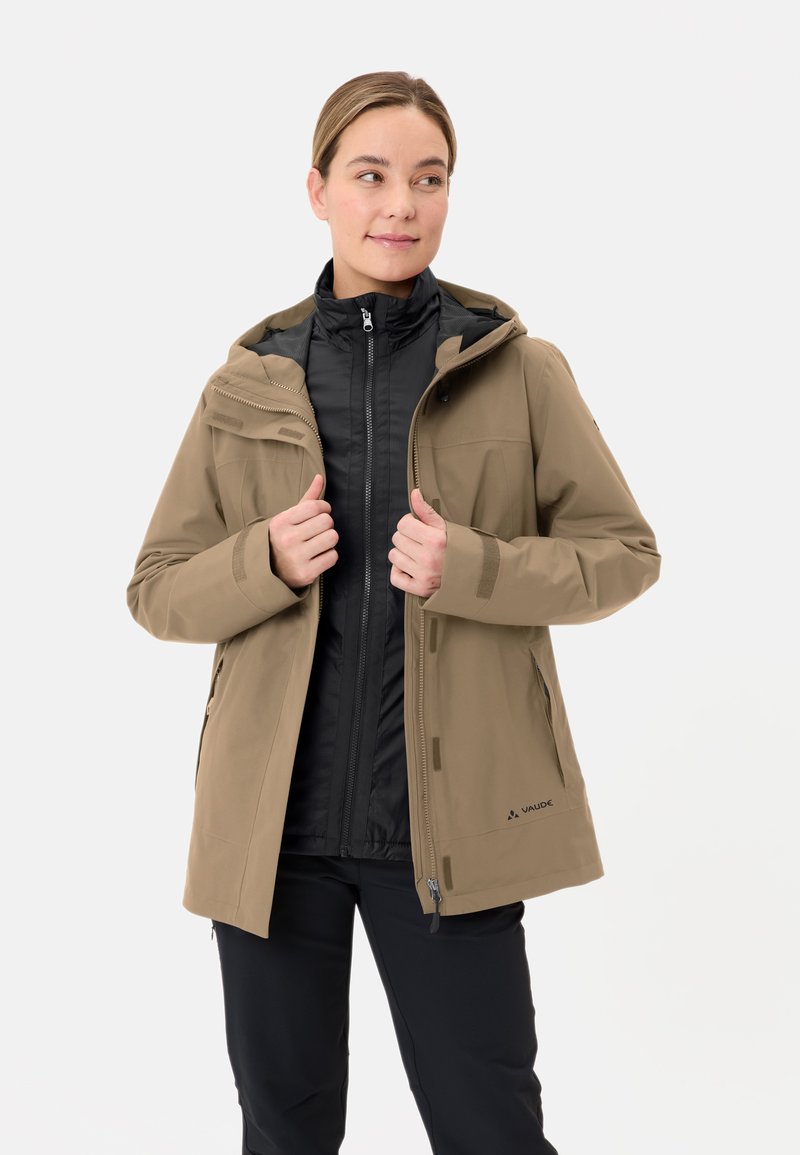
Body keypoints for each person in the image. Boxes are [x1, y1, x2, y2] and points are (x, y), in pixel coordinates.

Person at [126, 70, 661, 1155]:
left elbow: (622, 554)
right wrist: (263, 560)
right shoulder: (249, 381)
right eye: (370, 176)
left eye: (429, 178)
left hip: (448, 832)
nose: (401, 205)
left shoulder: (516, 369)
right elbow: (157, 587)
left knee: (490, 1131)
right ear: (317, 190)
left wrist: (475, 566)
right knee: (283, 1136)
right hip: (272, 839)